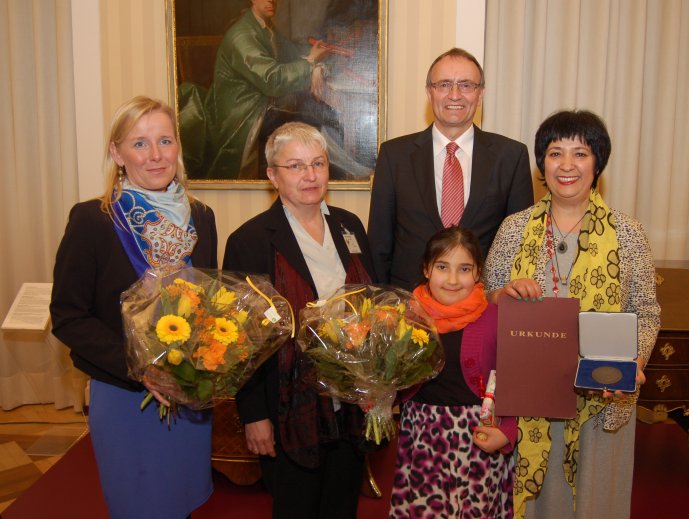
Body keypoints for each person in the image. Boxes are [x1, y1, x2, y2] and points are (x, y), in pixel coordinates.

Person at [483, 110, 661, 518]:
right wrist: (501, 295)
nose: (566, 165)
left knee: (597, 504)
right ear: (541, 164)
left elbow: (646, 311)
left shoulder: (627, 233)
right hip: (529, 401)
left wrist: (636, 362)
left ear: (598, 162)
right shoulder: (514, 229)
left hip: (602, 399)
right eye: (554, 153)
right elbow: (486, 300)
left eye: (579, 153)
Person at [50, 96, 217, 518]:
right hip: (126, 393)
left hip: (188, 393)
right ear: (116, 153)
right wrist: (141, 367)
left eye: (165, 140)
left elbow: (210, 303)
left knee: (183, 502)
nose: (157, 155)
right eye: (140, 143)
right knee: (139, 504)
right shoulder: (95, 220)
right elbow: (68, 315)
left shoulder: (201, 216)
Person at [222, 122, 375, 518]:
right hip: (289, 409)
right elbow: (243, 342)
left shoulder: (350, 226)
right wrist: (254, 415)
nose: (310, 176)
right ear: (272, 175)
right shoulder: (250, 240)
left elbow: (374, 310)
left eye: (318, 163)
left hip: (351, 406)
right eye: (295, 166)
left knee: (341, 506)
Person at [367, 47, 534, 291]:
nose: (454, 95)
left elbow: (520, 245)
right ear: (429, 92)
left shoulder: (511, 157)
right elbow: (379, 245)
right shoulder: (394, 155)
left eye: (466, 85)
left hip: (482, 309)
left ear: (481, 93)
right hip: (409, 309)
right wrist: (383, 307)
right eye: (444, 84)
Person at [390, 226, 516, 518]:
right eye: (442, 267)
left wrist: (507, 431)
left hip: (479, 439)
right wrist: (375, 397)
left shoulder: (496, 318)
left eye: (464, 269)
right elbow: (394, 381)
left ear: (478, 272)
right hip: (421, 438)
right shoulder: (407, 318)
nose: (452, 279)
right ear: (426, 269)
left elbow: (515, 381)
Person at [181, 0, 372, 181]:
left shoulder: (265, 28)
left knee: (322, 115)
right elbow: (272, 80)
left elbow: (292, 53)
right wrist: (311, 63)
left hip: (263, 109)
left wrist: (317, 58)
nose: (272, 0)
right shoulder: (242, 36)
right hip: (243, 119)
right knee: (310, 123)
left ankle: (350, 170)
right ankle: (352, 172)